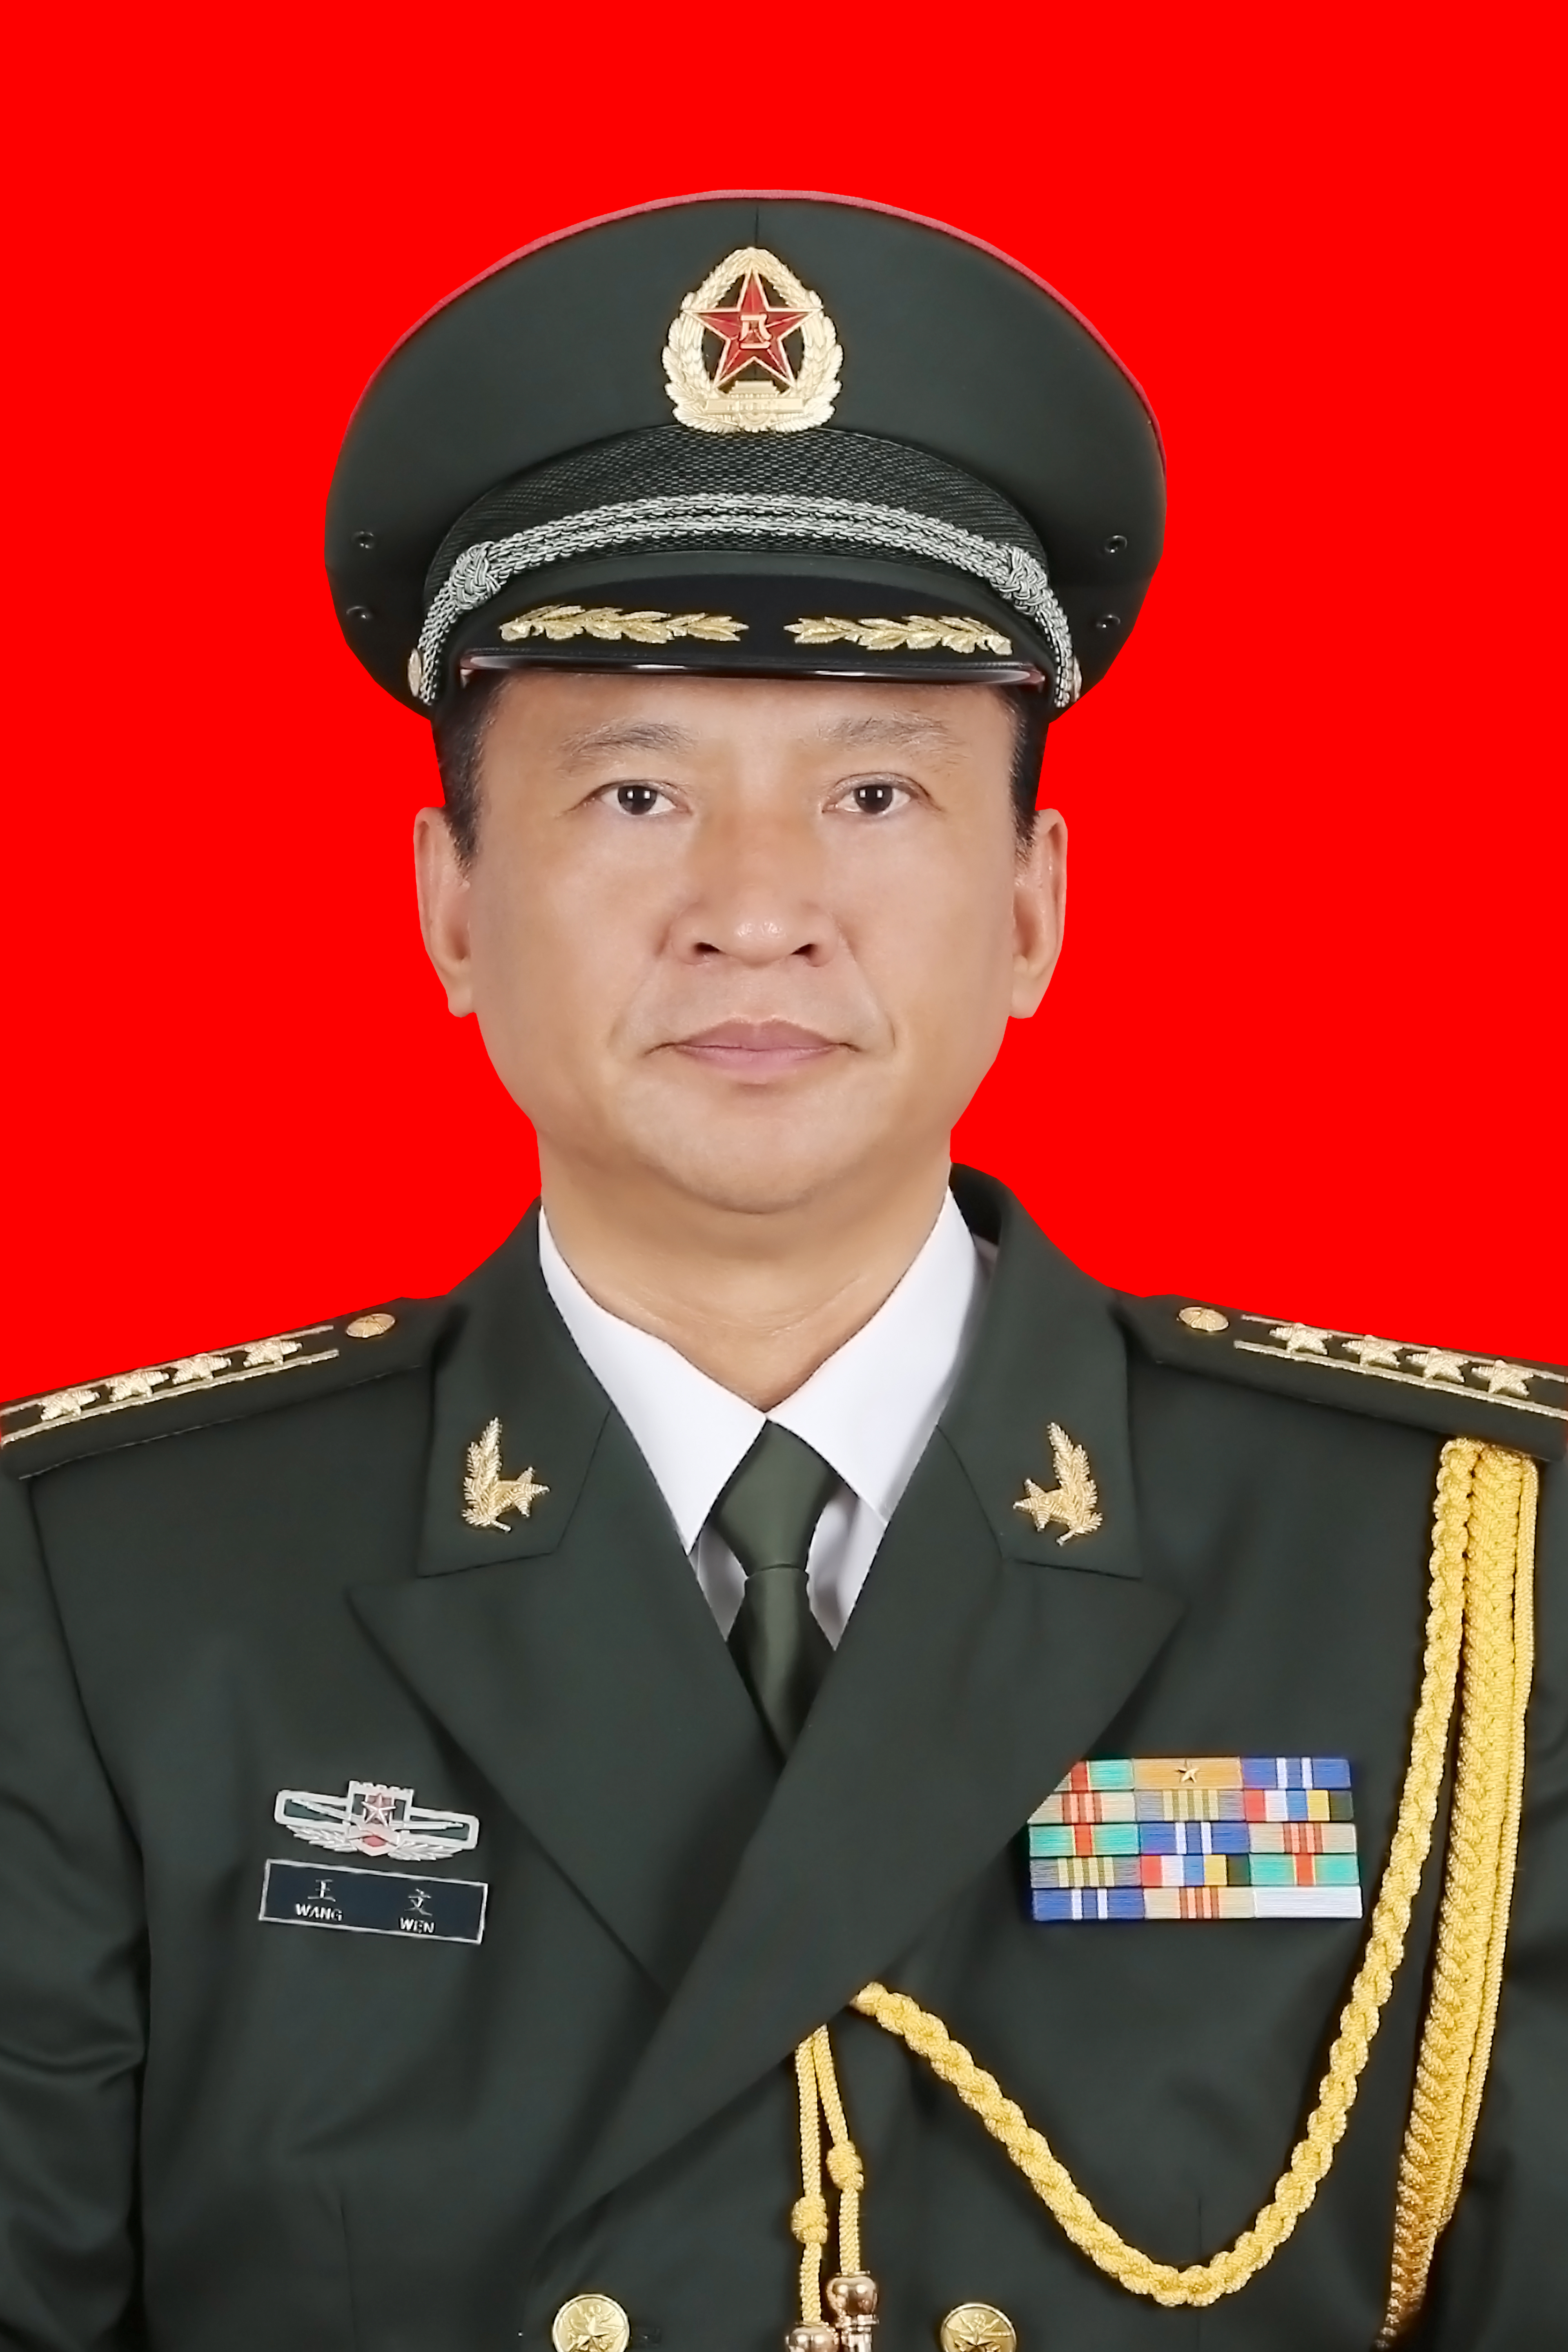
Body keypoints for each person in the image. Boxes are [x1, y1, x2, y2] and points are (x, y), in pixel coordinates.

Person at [0, 194, 1562, 2352]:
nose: (757, 907)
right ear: (450, 907)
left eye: (878, 795)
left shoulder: (1450, 1575)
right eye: (636, 792)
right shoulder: (110, 1593)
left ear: (1035, 905)